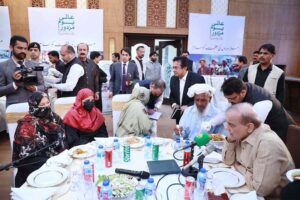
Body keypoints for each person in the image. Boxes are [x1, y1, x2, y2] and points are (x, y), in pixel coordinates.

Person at [222, 103, 294, 198]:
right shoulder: (241, 133)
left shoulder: (267, 143)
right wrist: (230, 140)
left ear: (249, 127)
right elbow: (228, 161)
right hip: (248, 188)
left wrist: (240, 168)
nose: (226, 128)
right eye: (227, 123)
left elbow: (260, 189)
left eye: (231, 124)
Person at [12, 92, 66, 187]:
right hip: (35, 172)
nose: (46, 106)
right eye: (42, 105)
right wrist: (50, 164)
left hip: (57, 164)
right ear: (34, 106)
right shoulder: (26, 126)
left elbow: (63, 141)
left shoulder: (55, 118)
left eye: (47, 103)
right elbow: (26, 160)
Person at [221, 77, 295, 142]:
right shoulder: (241, 88)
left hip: (282, 132)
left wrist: (232, 137)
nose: (229, 101)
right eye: (228, 98)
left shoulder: (260, 103)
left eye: (233, 98)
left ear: (242, 92)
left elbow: (252, 130)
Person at [0, 35, 45, 107]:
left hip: (34, 106)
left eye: (25, 48)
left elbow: (43, 86)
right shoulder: (2, 66)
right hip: (14, 107)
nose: (23, 51)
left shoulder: (35, 65)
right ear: (11, 47)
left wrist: (35, 88)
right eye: (19, 48)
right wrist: (15, 84)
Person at [169, 56, 205, 123]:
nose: (173, 70)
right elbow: (172, 95)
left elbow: (203, 98)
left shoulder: (198, 79)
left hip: (193, 114)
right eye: (173, 67)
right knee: (179, 131)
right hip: (179, 114)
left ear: (185, 68)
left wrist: (188, 106)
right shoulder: (173, 79)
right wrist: (174, 104)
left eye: (176, 67)